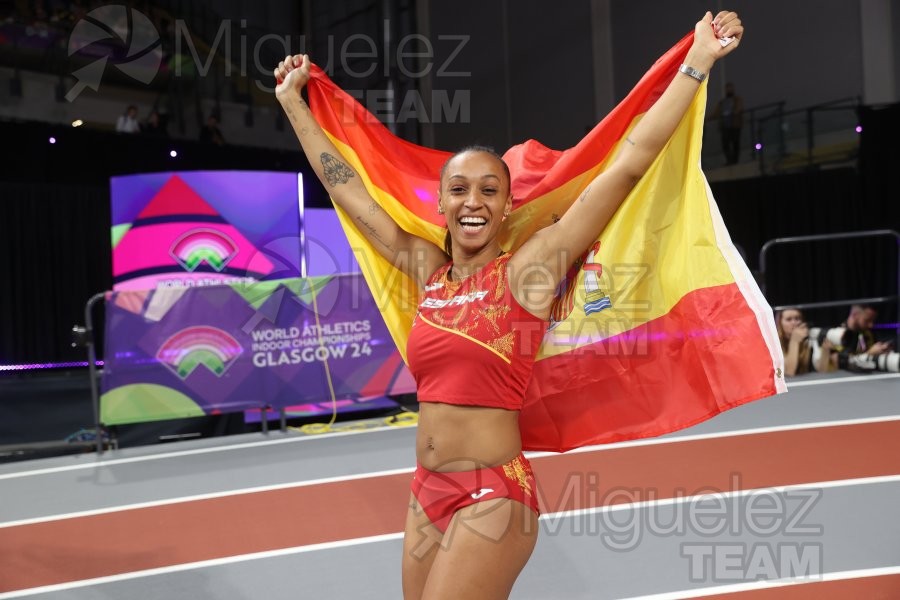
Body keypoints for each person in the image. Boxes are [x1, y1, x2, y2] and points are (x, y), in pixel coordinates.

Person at [275, 11, 743, 600]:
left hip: (493, 492)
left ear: (505, 206)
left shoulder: (529, 271)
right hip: (426, 491)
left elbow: (625, 166)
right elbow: (346, 187)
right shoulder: (428, 273)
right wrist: (294, 104)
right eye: (459, 190)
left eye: (489, 190)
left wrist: (696, 64)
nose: (473, 202)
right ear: (440, 203)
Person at [816, 304, 898, 373]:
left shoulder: (868, 334)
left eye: (873, 321)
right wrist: (870, 353)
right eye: (867, 320)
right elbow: (841, 364)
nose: (871, 325)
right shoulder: (836, 336)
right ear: (855, 315)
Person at [775, 308, 834, 375]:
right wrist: (794, 341)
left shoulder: (810, 340)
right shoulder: (774, 343)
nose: (794, 323)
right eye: (789, 319)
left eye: (797, 318)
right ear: (780, 323)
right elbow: (789, 372)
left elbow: (822, 371)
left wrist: (825, 351)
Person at [709, 81, 743, 164]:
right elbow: (715, 114)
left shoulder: (737, 99)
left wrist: (734, 112)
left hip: (734, 125)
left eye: (730, 88)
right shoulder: (722, 102)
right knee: (725, 144)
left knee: (735, 143)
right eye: (727, 89)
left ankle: (735, 161)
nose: (729, 90)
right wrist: (706, 119)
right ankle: (729, 160)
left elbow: (738, 109)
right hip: (725, 126)